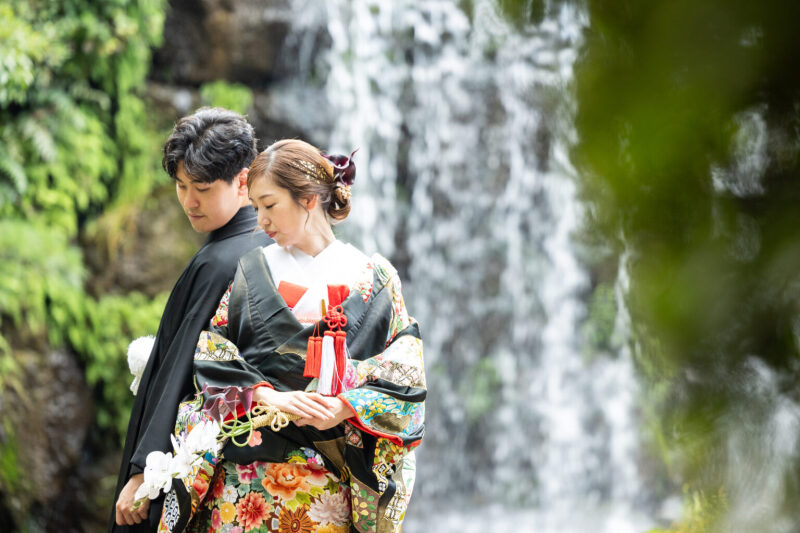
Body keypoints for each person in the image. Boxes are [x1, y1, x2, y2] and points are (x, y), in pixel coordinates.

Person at [157, 139, 425, 533]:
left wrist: (346, 406)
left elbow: (406, 371)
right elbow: (212, 353)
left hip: (330, 490)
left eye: (269, 205)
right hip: (243, 488)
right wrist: (267, 396)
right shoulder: (249, 270)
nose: (261, 221)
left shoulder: (376, 279)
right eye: (256, 208)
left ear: (309, 199)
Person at [110, 107, 272, 532]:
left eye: (201, 188)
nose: (188, 201)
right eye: (181, 186)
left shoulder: (222, 261)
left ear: (244, 181)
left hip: (191, 459)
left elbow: (183, 369)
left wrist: (145, 471)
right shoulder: (262, 244)